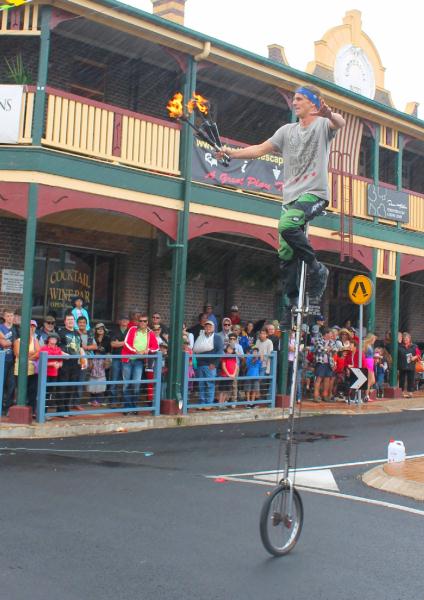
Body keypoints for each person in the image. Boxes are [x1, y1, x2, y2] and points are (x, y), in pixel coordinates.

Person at [217, 85, 345, 326]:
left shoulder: (322, 125)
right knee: (285, 253)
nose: (294, 103)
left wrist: (328, 113)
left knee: (287, 225)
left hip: (314, 194)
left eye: (299, 99)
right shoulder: (286, 131)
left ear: (313, 103)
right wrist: (231, 153)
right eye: (293, 99)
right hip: (290, 198)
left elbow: (340, 122)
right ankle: (291, 303)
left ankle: (317, 269)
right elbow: (258, 150)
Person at [121, 313, 159, 414]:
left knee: (136, 384)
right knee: (126, 384)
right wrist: (136, 352)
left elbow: (156, 347)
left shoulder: (150, 333)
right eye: (140, 321)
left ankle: (134, 407)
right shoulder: (132, 329)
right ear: (138, 321)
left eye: (144, 321)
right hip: (128, 360)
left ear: (147, 322)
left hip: (139, 361)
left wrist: (148, 350)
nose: (142, 323)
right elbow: (126, 343)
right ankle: (127, 407)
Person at [193, 320, 224, 406]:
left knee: (209, 384)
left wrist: (215, 364)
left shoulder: (217, 338)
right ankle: (202, 402)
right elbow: (196, 350)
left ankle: (209, 403)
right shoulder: (200, 337)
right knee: (201, 384)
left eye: (210, 326)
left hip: (211, 365)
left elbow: (220, 352)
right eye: (206, 326)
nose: (208, 328)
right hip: (200, 364)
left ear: (213, 328)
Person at [57, 314, 84, 415]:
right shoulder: (61, 332)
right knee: (62, 386)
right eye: (68, 319)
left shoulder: (77, 333)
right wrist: (63, 354)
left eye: (72, 319)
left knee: (71, 386)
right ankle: (60, 410)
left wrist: (83, 359)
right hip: (65, 363)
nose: (70, 321)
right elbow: (56, 347)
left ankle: (67, 408)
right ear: (65, 321)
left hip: (75, 363)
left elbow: (80, 347)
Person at [13, 320, 40, 417]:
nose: (30, 329)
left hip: (32, 370)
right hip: (20, 370)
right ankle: (19, 411)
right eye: (29, 327)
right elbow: (18, 354)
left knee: (32, 391)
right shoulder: (18, 341)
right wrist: (31, 354)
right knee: (20, 391)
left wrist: (27, 355)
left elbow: (38, 353)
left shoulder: (35, 340)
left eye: (32, 327)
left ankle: (32, 411)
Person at [38, 332, 64, 413]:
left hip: (54, 374)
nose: (53, 340)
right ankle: (41, 412)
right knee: (43, 392)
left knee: (50, 393)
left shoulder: (58, 349)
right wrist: (52, 364)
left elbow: (61, 362)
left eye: (55, 339)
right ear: (48, 340)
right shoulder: (43, 348)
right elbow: (40, 362)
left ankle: (45, 412)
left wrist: (59, 364)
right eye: (51, 338)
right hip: (45, 374)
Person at [0, 308, 17, 415]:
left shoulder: (16, 329)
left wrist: (8, 342)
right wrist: (11, 343)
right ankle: (1, 407)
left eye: (11, 316)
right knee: (1, 384)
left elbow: (18, 343)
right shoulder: (1, 327)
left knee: (11, 384)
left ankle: (8, 408)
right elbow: (4, 344)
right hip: (2, 360)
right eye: (8, 316)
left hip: (12, 360)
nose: (10, 318)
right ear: (4, 317)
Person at [110, 315, 130, 405]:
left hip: (127, 358)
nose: (125, 321)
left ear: (129, 322)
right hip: (116, 357)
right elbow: (112, 344)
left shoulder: (130, 331)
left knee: (125, 380)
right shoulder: (115, 330)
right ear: (119, 321)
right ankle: (113, 401)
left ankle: (123, 401)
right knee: (114, 379)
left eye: (126, 319)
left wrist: (119, 343)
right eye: (123, 319)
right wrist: (125, 342)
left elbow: (132, 344)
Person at [313, 327, 336, 403]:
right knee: (319, 378)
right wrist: (328, 349)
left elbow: (335, 349)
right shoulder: (318, 340)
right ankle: (316, 396)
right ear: (326, 334)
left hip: (329, 363)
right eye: (330, 333)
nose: (332, 335)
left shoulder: (331, 341)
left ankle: (325, 396)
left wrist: (327, 349)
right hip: (320, 362)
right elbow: (320, 349)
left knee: (327, 379)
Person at [398, 332, 420, 398]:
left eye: (406, 339)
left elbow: (418, 354)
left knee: (411, 379)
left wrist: (414, 357)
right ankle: (401, 392)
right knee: (401, 379)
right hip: (402, 365)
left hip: (411, 365)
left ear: (410, 339)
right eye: (404, 339)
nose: (405, 340)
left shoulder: (414, 346)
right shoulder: (399, 346)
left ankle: (410, 392)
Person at [362, 333, 377, 402]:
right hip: (368, 362)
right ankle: (366, 396)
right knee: (369, 380)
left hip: (371, 362)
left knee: (372, 380)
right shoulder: (366, 345)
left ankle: (364, 389)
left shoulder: (369, 345)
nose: (374, 341)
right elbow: (363, 353)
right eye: (373, 339)